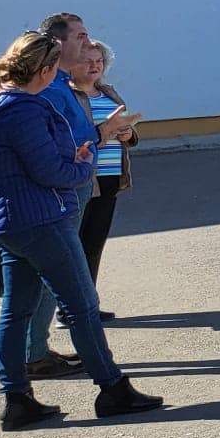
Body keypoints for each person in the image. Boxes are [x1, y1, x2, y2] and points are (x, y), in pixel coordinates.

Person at [0, 32, 162, 431]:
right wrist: (84, 164)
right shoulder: (25, 110)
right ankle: (113, 389)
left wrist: (77, 150)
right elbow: (52, 172)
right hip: (41, 221)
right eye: (56, 69)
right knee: (81, 307)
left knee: (16, 310)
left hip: (7, 223)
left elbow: (28, 162)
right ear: (43, 71)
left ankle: (18, 399)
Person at [26, 14, 113, 368]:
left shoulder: (60, 84)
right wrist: (101, 134)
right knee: (57, 279)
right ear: (58, 44)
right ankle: (38, 357)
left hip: (71, 186)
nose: (88, 43)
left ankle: (36, 352)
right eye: (81, 36)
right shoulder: (48, 88)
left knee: (48, 279)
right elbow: (57, 143)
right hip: (61, 190)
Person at [70, 39, 135, 294]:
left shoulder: (108, 92)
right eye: (87, 61)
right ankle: (71, 306)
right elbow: (71, 137)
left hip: (110, 177)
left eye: (99, 61)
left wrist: (128, 133)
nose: (95, 66)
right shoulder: (69, 95)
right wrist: (104, 130)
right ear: (72, 64)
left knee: (94, 243)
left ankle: (88, 303)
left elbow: (125, 127)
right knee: (75, 243)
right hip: (84, 178)